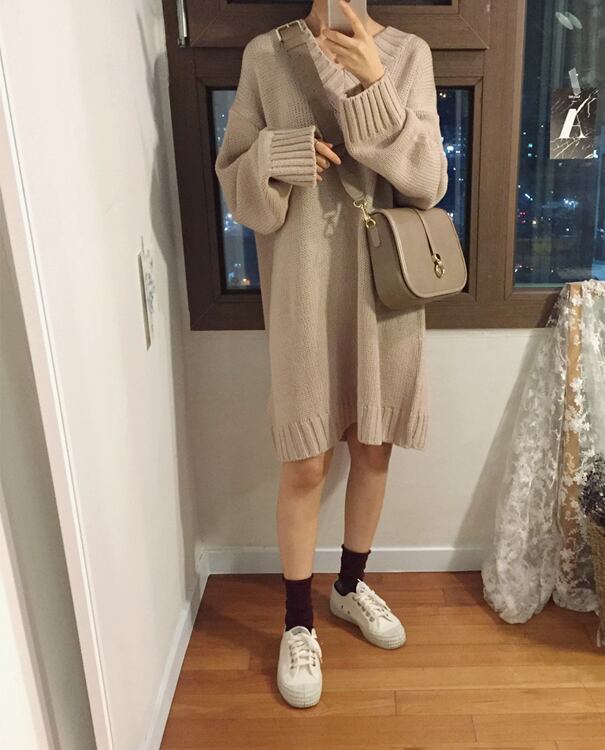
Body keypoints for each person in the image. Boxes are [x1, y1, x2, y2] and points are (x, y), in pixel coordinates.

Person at [214, 0, 448, 709]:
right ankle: (297, 621)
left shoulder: (409, 55)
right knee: (307, 462)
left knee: (373, 448)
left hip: (385, 292)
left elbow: (429, 181)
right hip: (303, 292)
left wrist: (376, 85)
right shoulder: (267, 55)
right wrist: (278, 156)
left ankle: (349, 586)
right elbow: (238, 188)